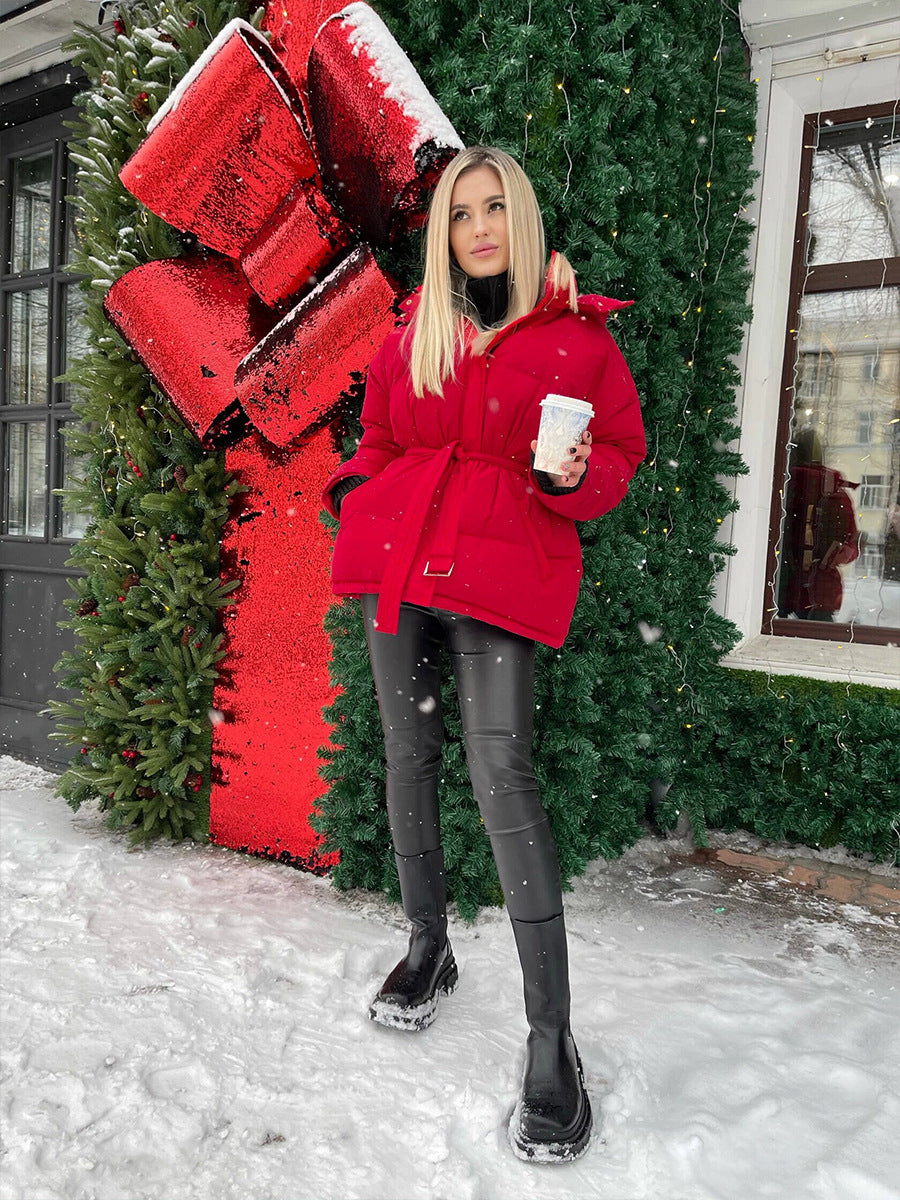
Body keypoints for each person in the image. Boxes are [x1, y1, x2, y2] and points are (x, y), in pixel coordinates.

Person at [322, 145, 646, 1162]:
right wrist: (352, 491)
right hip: (401, 563)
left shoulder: (576, 341)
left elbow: (618, 459)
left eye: (495, 207)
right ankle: (428, 946)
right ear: (445, 231)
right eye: (461, 212)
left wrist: (576, 475)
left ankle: (553, 1041)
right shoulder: (416, 328)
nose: (478, 228)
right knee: (404, 756)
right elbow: (377, 433)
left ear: (523, 218)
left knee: (501, 769)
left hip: (500, 570)